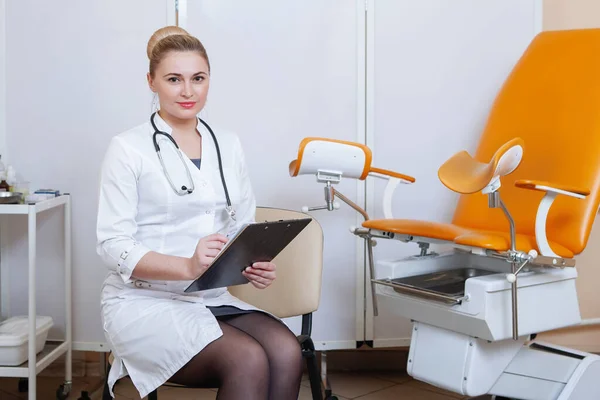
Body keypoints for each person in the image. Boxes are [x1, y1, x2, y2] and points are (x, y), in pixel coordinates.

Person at [96, 26, 303, 400]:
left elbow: (240, 222)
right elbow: (112, 245)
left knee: (287, 352)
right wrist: (187, 267)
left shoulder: (227, 143)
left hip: (209, 296)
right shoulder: (128, 148)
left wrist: (251, 262)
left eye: (198, 79)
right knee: (248, 359)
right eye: (174, 79)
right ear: (151, 82)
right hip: (144, 302)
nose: (188, 91)